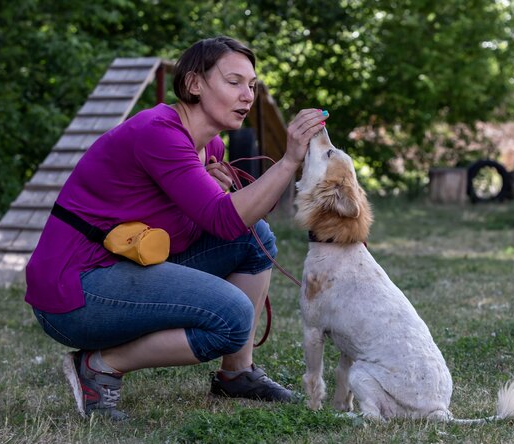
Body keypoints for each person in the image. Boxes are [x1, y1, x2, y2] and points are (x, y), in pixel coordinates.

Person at [24, 36, 329, 420]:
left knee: (255, 239)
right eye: (234, 82)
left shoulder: (211, 147)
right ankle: (99, 366)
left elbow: (217, 222)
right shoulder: (158, 132)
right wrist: (289, 161)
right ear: (194, 84)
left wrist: (208, 184)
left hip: (122, 266)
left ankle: (236, 373)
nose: (247, 95)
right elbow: (223, 217)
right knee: (232, 317)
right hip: (75, 291)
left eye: (251, 85)